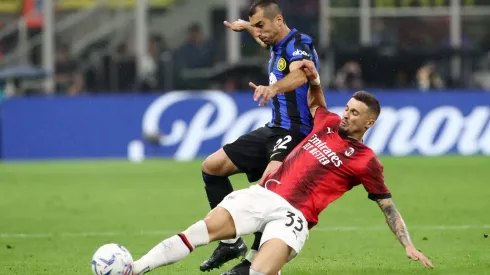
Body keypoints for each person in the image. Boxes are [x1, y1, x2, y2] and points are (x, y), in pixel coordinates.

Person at [131, 60, 434, 275]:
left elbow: (387, 207)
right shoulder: (327, 123)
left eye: (354, 114)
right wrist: (315, 80)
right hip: (263, 195)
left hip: (294, 218)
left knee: (257, 273)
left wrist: (408, 245)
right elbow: (316, 103)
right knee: (195, 234)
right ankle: (134, 269)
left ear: (369, 122)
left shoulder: (366, 161)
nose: (346, 116)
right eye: (347, 109)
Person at [200, 0, 319, 272]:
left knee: (267, 191)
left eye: (261, 25)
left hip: (297, 133)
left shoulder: (299, 42)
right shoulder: (275, 43)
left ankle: (253, 261)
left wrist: (273, 88)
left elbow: (302, 74)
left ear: (279, 20)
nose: (259, 32)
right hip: (274, 128)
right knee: (212, 168)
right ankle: (231, 242)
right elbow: (264, 39)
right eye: (256, 27)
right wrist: (246, 27)